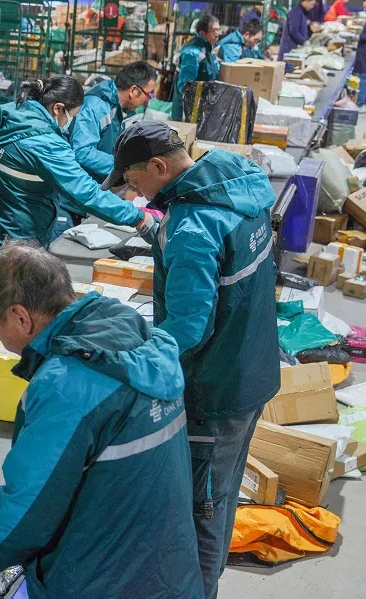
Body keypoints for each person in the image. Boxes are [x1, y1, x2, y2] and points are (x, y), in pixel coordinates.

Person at [0, 241, 203, 599]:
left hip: (103, 579)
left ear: (21, 317)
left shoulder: (67, 384)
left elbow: (32, 503)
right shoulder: (136, 334)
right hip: (167, 566)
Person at [102, 121, 280, 599]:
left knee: (202, 507)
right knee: (222, 495)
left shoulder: (192, 227)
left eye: (135, 181)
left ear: (159, 167)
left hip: (214, 390)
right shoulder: (237, 181)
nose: (134, 194)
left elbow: (187, 328)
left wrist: (127, 363)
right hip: (252, 368)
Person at [0, 75, 152, 285]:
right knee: (10, 308)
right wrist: (137, 217)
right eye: (72, 115)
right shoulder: (44, 142)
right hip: (11, 243)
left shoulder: (5, 117)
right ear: (57, 108)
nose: (70, 124)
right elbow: (84, 191)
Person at [70, 61, 158, 183]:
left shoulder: (119, 107)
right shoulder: (96, 107)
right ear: (133, 91)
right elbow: (82, 152)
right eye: (149, 94)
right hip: (82, 183)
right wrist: (122, 166)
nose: (148, 100)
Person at [172, 14, 220, 121]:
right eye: (214, 31)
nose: (217, 35)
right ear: (202, 33)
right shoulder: (192, 52)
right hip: (187, 112)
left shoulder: (208, 49)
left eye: (218, 30)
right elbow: (185, 87)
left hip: (201, 108)